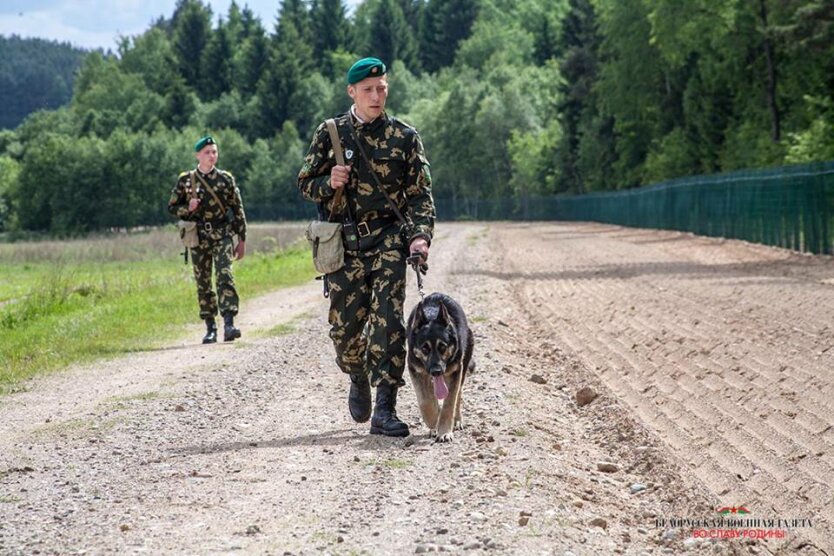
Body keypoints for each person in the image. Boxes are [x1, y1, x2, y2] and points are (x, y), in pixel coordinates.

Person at [297, 57, 435, 437]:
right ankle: (356, 374)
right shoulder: (331, 134)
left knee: (388, 323)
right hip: (345, 241)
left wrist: (420, 235)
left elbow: (420, 196)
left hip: (389, 238)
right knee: (345, 330)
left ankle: (385, 408)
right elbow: (305, 182)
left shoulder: (405, 138)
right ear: (352, 92)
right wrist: (329, 182)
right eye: (369, 89)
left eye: (382, 88)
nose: (377, 96)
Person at [169, 135, 247, 344]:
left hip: (222, 235)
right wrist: (188, 208)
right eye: (207, 152)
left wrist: (241, 239)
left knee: (225, 276)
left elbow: (238, 210)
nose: (212, 156)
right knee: (203, 282)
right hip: (198, 237)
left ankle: (229, 323)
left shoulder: (225, 179)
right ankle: (210, 327)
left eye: (214, 152)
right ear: (198, 155)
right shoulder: (186, 180)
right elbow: (172, 207)